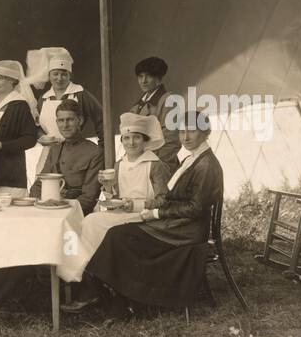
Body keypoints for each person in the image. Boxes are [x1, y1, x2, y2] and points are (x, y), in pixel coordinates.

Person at [85, 110, 224, 319]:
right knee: (119, 234)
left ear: (206, 132)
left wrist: (156, 213)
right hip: (177, 223)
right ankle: (118, 297)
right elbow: (173, 197)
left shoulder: (206, 165)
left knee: (119, 235)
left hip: (185, 230)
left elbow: (195, 209)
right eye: (181, 132)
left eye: (192, 131)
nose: (185, 137)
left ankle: (120, 299)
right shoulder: (194, 158)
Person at [28, 98, 102, 214]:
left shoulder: (94, 152)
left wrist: (61, 209)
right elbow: (38, 185)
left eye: (70, 120)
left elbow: (89, 198)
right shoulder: (55, 149)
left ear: (80, 121)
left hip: (77, 214)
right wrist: (40, 204)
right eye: (61, 120)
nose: (65, 125)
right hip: (50, 210)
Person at [0, 59, 38, 193]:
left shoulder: (20, 105)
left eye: (0, 78)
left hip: (11, 169)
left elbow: (30, 139)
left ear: (12, 80)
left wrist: (3, 146)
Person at [111, 112, 171, 208]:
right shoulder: (119, 165)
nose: (131, 143)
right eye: (126, 138)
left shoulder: (155, 165)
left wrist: (137, 206)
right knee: (91, 219)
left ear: (145, 140)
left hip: (146, 216)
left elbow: (164, 201)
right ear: (122, 141)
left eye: (136, 137)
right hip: (122, 213)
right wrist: (107, 187)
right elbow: (115, 200)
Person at [128, 55, 179, 166]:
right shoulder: (137, 106)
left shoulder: (169, 102)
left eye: (149, 76)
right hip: (140, 165)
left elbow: (172, 142)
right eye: (140, 77)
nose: (143, 81)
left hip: (160, 166)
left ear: (159, 78)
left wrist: (148, 164)